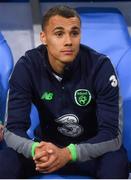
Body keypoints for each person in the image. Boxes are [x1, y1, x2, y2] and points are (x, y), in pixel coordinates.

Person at [0, 5, 129, 178]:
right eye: (59, 34)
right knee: (7, 160)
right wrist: (35, 150)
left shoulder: (100, 67)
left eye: (74, 33)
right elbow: (13, 129)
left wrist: (69, 154)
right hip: (43, 151)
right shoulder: (27, 66)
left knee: (116, 162)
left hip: (88, 152)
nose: (68, 41)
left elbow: (112, 135)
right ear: (44, 37)